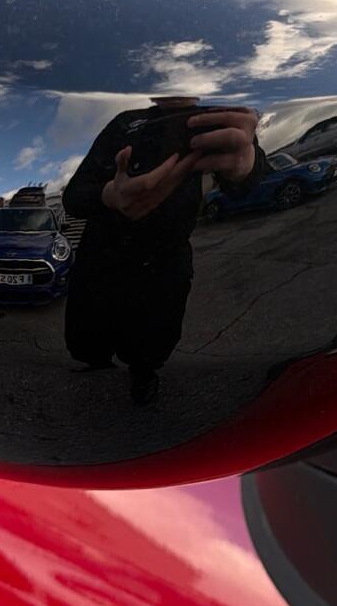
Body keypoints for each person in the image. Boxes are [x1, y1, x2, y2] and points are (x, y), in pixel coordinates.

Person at [62, 97, 266, 404]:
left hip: (164, 262)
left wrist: (246, 166)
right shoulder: (125, 123)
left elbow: (251, 186)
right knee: (87, 335)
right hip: (101, 258)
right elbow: (74, 196)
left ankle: (143, 373)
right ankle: (96, 361)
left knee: (152, 340)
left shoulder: (221, 120)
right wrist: (109, 195)